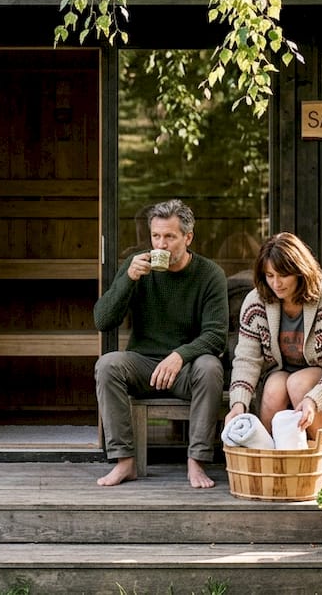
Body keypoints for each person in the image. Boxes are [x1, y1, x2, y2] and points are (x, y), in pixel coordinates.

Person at [94, 199, 228, 488]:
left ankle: (197, 462)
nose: (161, 244)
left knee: (210, 366)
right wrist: (127, 281)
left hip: (186, 368)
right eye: (156, 236)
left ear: (188, 237)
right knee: (107, 365)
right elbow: (102, 320)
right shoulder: (136, 267)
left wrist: (180, 355)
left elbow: (216, 335)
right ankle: (124, 462)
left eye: (170, 236)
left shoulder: (209, 274)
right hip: (143, 364)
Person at [224, 232, 322, 478]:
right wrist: (238, 404)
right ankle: (275, 468)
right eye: (269, 276)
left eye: (283, 275)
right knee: (272, 390)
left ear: (301, 272)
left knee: (299, 384)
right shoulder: (255, 302)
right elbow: (247, 359)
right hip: (282, 374)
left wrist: (314, 399)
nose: (276, 283)